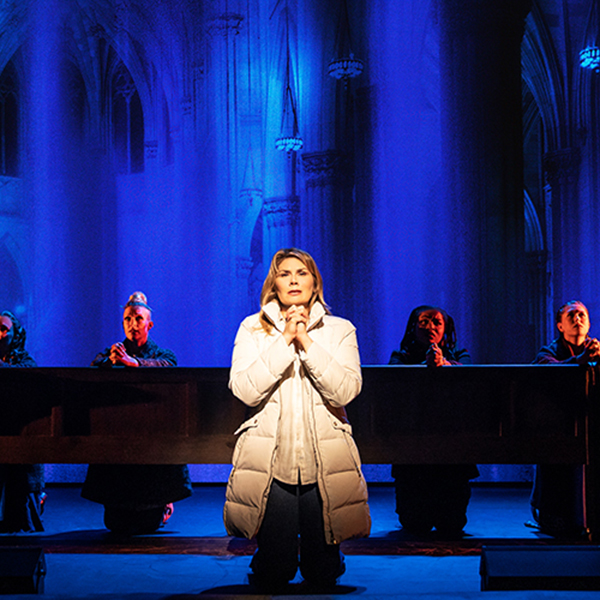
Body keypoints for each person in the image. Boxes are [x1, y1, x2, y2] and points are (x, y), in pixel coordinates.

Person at [224, 248, 370, 592]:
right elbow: (244, 389)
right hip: (273, 461)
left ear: (314, 282)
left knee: (322, 576)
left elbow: (345, 391)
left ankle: (327, 559)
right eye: (285, 273)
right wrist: (285, 340)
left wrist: (305, 341)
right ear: (273, 283)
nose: (292, 279)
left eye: (301, 273)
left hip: (325, 459)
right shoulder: (252, 328)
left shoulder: (340, 329)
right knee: (274, 573)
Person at [81, 292, 192, 535]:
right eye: (128, 319)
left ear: (149, 324)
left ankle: (159, 506)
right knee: (115, 523)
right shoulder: (112, 354)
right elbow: (93, 370)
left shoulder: (161, 354)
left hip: (151, 435)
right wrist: (111, 363)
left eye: (138, 319)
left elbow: (169, 365)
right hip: (120, 436)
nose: (133, 324)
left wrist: (136, 364)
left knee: (148, 522)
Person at [389, 305, 478, 538]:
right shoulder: (401, 356)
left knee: (452, 524)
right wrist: (423, 366)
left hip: (451, 441)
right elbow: (393, 379)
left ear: (445, 328)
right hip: (413, 441)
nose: (431, 327)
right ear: (413, 327)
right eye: (424, 321)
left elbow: (469, 374)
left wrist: (444, 365)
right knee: (414, 524)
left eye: (437, 322)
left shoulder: (459, 354)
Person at [528, 300, 600, 538]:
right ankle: (552, 518)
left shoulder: (597, 350)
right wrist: (578, 362)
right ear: (560, 325)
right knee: (557, 477)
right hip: (557, 428)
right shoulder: (547, 352)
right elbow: (547, 374)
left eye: (582, 315)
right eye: (571, 315)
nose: (577, 319)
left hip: (590, 424)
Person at [0, 311, 45, 533]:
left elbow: (26, 379)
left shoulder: (25, 362)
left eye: (3, 329)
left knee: (19, 510)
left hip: (19, 437)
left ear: (14, 335)